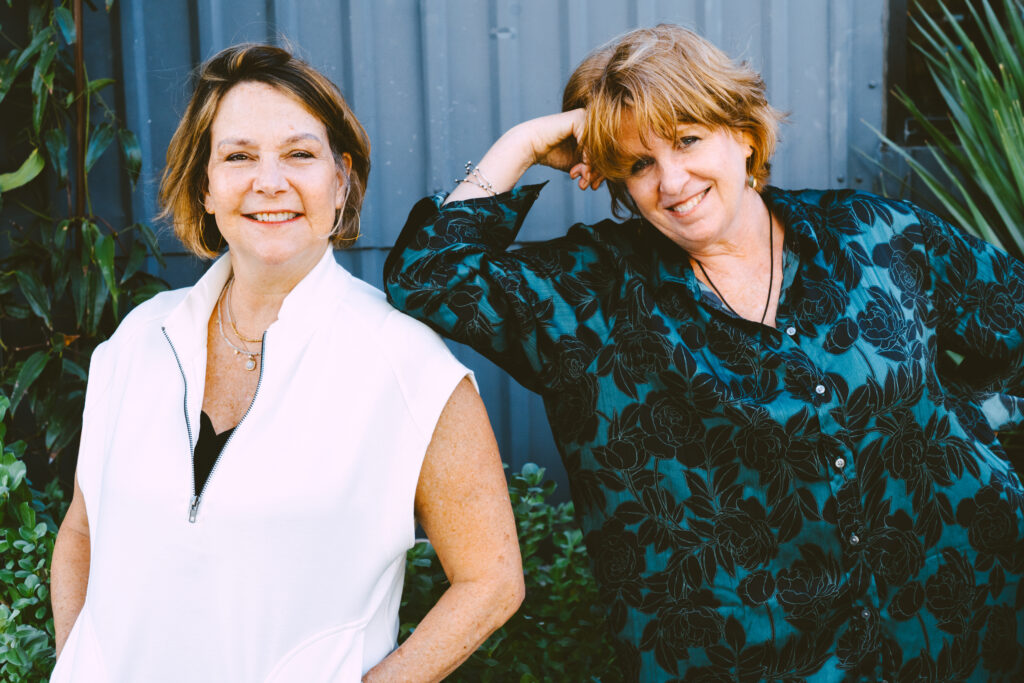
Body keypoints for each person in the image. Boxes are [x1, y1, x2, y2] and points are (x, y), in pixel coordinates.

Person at [384, 24, 1024, 682]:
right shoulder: (589, 296)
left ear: (743, 134)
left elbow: (1011, 322)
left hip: (960, 632)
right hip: (747, 662)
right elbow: (430, 276)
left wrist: (984, 431)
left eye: (687, 139)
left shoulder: (878, 236)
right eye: (636, 163)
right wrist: (525, 142)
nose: (671, 179)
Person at [50, 44, 524, 682]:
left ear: (341, 181)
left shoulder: (404, 362)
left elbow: (490, 581)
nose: (269, 181)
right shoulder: (137, 340)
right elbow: (81, 532)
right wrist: (77, 663)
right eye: (239, 156)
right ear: (206, 186)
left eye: (300, 154)